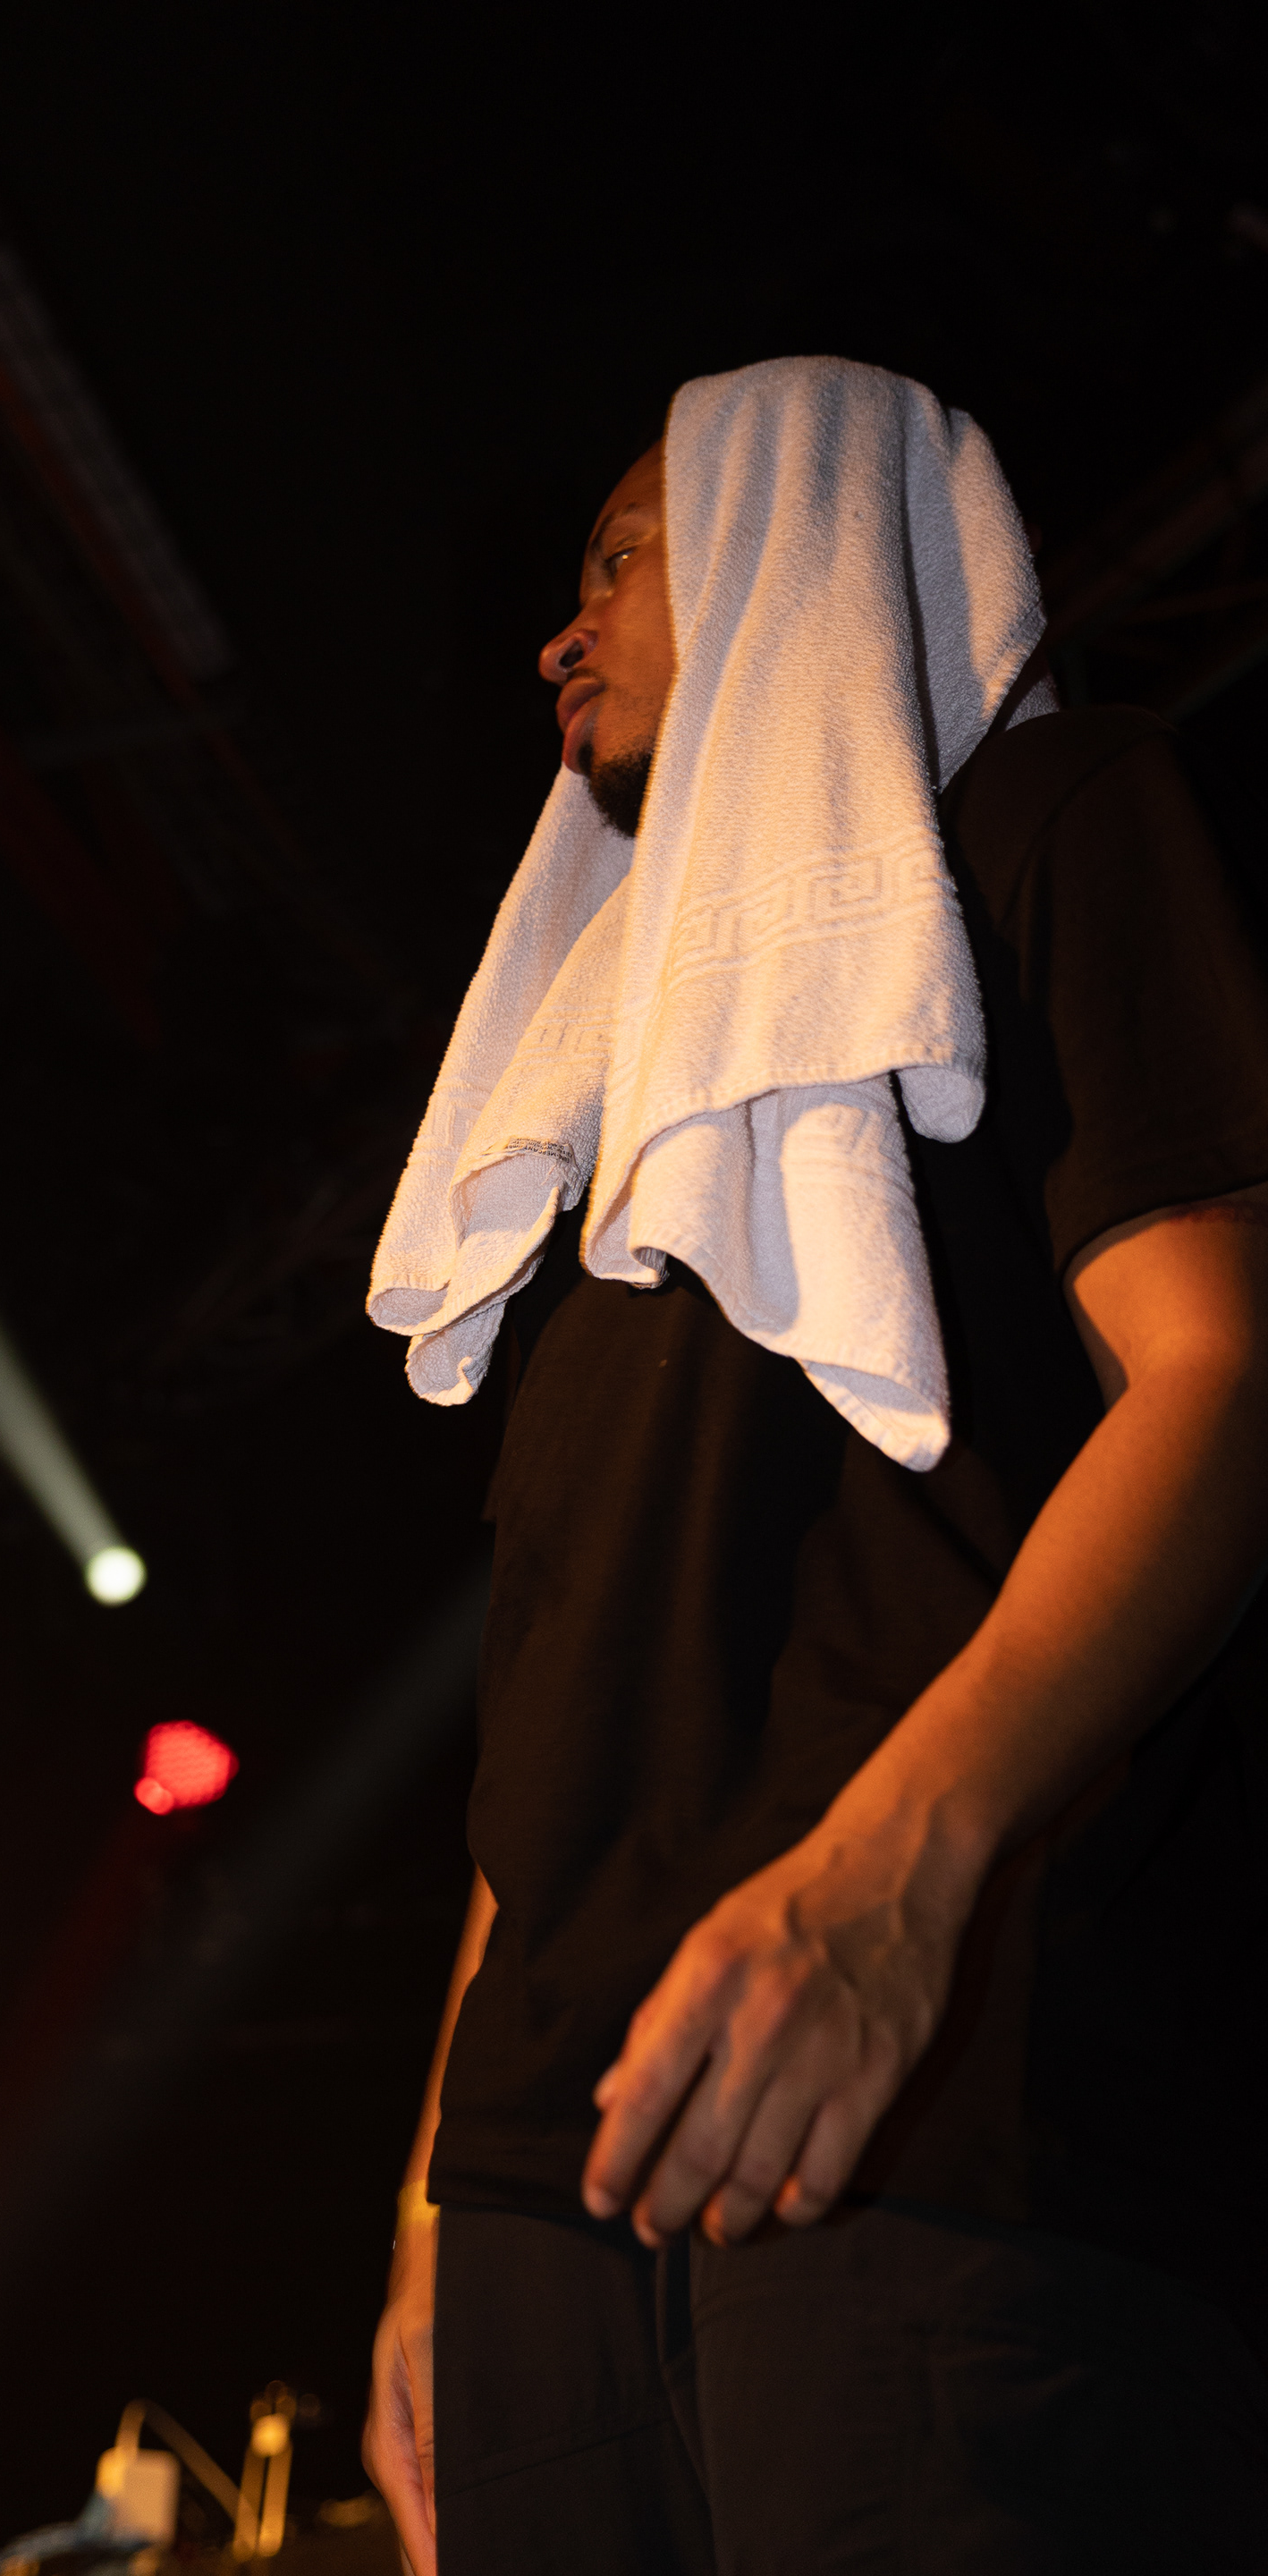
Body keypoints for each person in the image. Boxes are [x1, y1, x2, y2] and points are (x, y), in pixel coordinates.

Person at [360, 356, 1268, 2573]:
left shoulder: (1046, 827)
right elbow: (563, 1699)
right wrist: (427, 2222)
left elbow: (1229, 1377)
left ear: (797, 530)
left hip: (940, 2102)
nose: (562, 633)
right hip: (545, 2188)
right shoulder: (599, 1094)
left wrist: (891, 1879)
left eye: (621, 556)